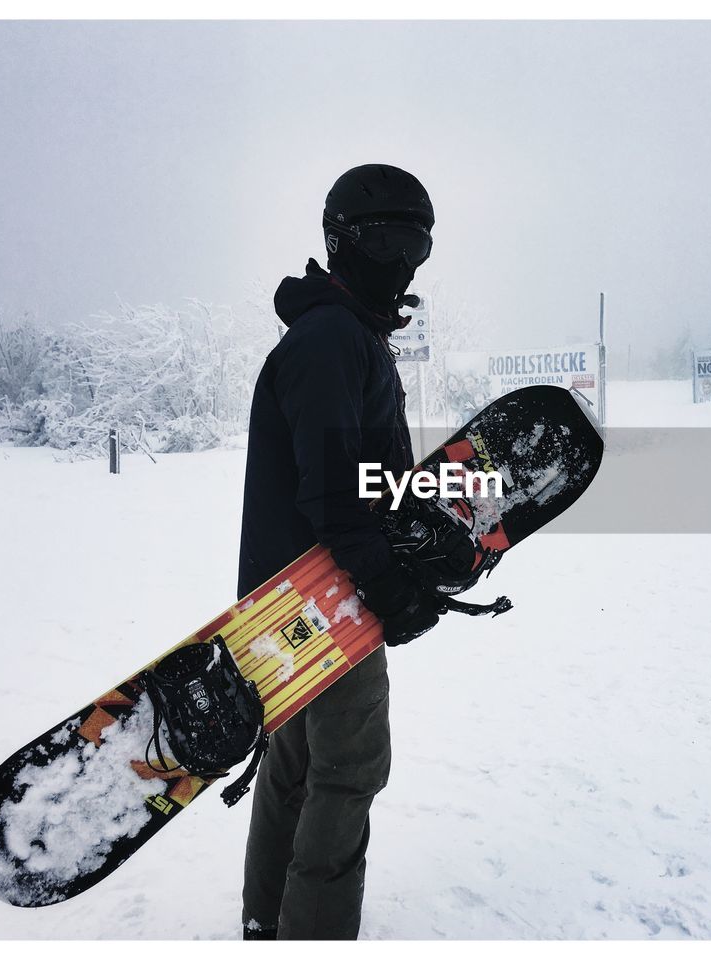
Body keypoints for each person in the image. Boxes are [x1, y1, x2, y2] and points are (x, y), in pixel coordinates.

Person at [237, 163, 443, 940]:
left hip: (292, 594)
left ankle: (269, 923)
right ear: (341, 242)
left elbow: (359, 475)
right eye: (387, 240)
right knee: (349, 767)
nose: (401, 263)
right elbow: (334, 493)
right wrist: (390, 588)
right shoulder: (331, 341)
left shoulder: (344, 335)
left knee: (294, 769)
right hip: (323, 598)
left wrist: (419, 516)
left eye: (416, 245)